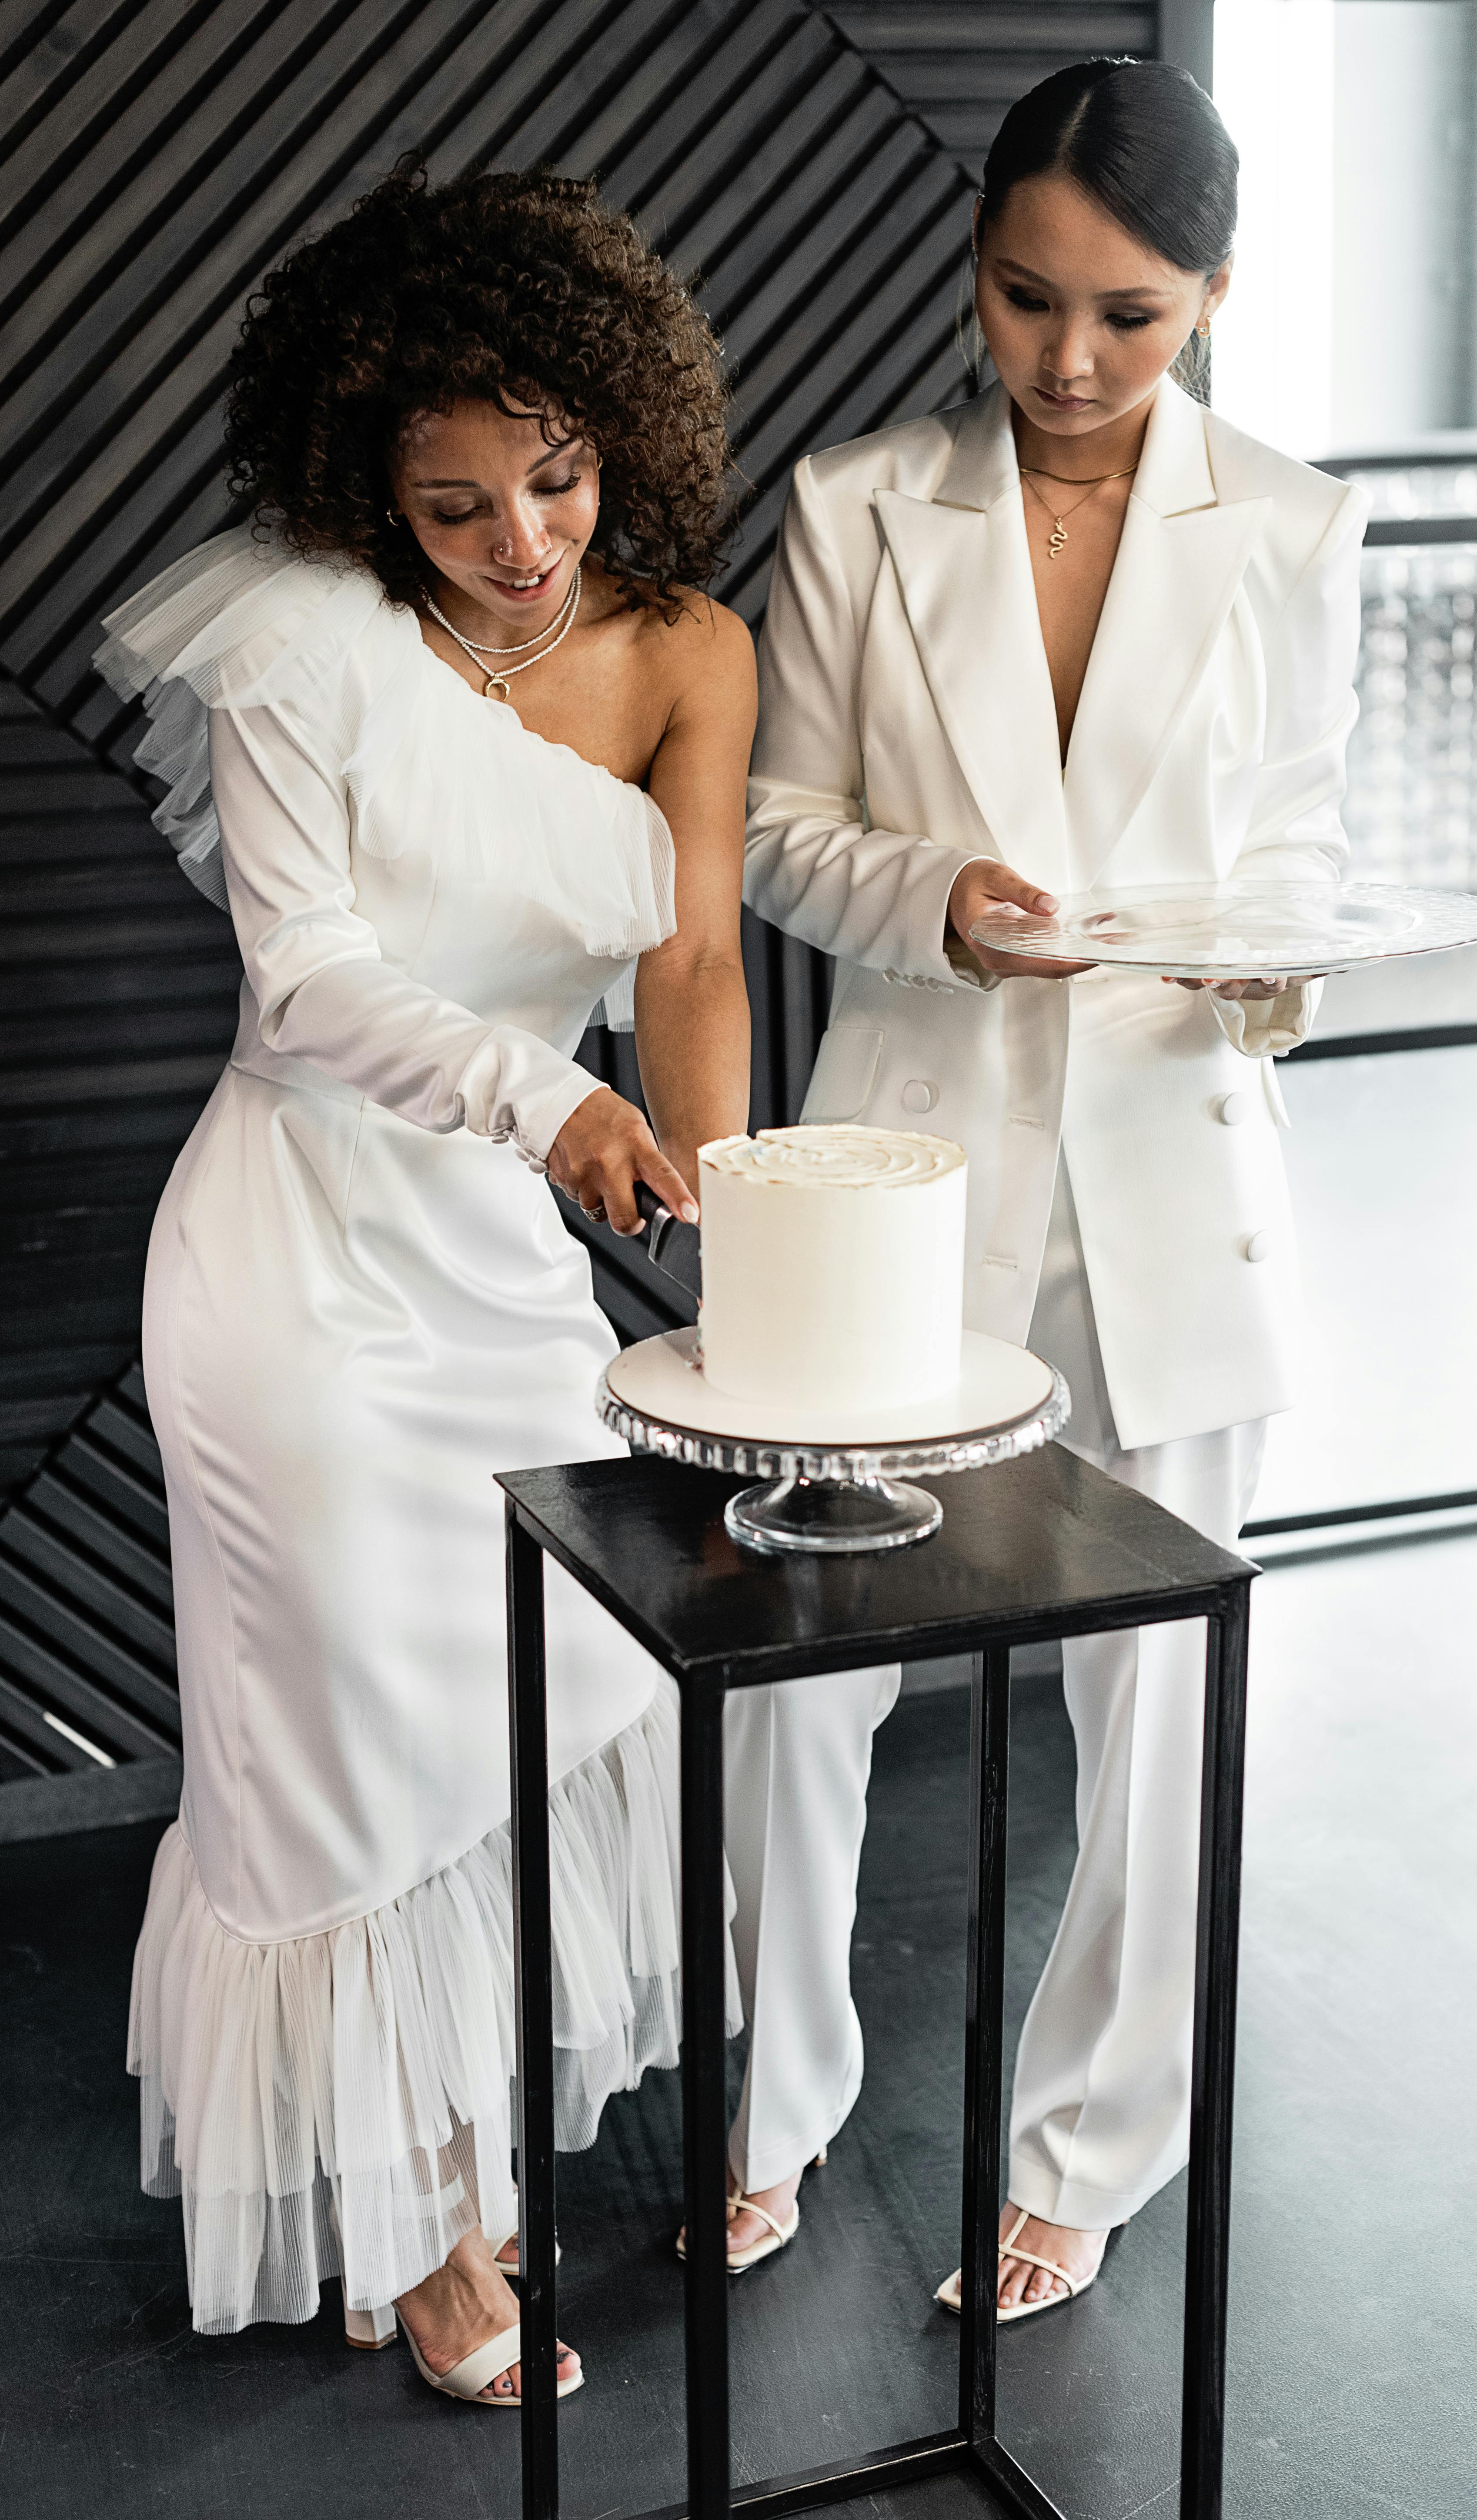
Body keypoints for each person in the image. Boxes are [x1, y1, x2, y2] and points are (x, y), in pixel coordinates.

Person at [96, 165, 755, 2401]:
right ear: (367, 479)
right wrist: (537, 1100)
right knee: (345, 1760)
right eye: (456, 501)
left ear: (619, 438)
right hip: (296, 1265)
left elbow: (684, 966)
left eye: (554, 480)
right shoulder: (301, 643)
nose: (519, 543)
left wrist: (729, 1214)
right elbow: (303, 988)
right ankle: (429, 2233)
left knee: (532, 1706)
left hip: (493, 1277)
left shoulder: (686, 654)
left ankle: (455, 2176)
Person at [725, 57, 1366, 2315]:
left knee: (1163, 1697)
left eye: (1132, 319)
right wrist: (939, 894)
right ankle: (771, 2099)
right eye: (1025, 301)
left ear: (1210, 298)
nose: (1071, 365)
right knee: (800, 1672)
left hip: (1181, 1177)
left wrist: (1276, 962)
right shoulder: (854, 505)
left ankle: (1094, 2145)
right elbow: (780, 837)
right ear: (976, 258)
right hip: (911, 1167)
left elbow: (1295, 856)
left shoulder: (1296, 528)